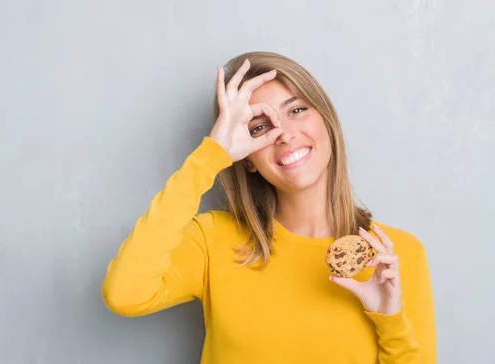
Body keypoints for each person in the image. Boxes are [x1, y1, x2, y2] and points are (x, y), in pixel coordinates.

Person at [101, 51, 437, 363]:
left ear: (327, 120)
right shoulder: (213, 239)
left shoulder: (397, 257)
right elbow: (125, 294)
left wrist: (390, 322)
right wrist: (211, 157)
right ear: (246, 159)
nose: (285, 135)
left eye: (296, 110)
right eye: (259, 127)